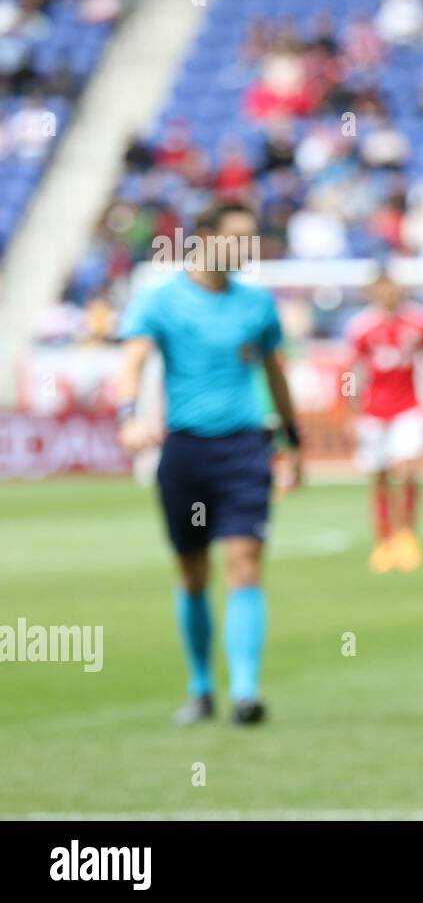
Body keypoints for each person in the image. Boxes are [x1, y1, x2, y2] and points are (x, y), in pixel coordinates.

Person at [116, 202, 302, 726]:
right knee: (193, 573)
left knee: (245, 563)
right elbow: (132, 362)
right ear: (203, 236)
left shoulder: (257, 306)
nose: (245, 249)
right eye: (236, 237)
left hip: (245, 450)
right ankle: (201, 688)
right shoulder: (160, 301)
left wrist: (291, 439)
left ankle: (245, 692)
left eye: (251, 238)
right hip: (186, 452)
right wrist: (129, 416)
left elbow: (276, 373)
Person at [344, 271, 423, 573]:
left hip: (408, 407)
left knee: (408, 469)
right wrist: (351, 410)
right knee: (379, 474)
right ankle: (384, 540)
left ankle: (406, 535)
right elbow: (353, 368)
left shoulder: (419, 322)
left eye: (393, 287)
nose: (389, 293)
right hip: (374, 410)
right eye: (382, 288)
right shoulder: (362, 326)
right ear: (374, 291)